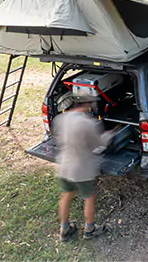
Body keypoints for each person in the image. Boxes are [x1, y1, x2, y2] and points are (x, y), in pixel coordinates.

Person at [53, 94, 113, 242]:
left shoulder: (61, 119)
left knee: (66, 195)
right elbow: (97, 144)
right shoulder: (89, 124)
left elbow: (58, 137)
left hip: (63, 164)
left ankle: (64, 229)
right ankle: (90, 229)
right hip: (81, 167)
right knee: (89, 197)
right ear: (88, 105)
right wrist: (108, 136)